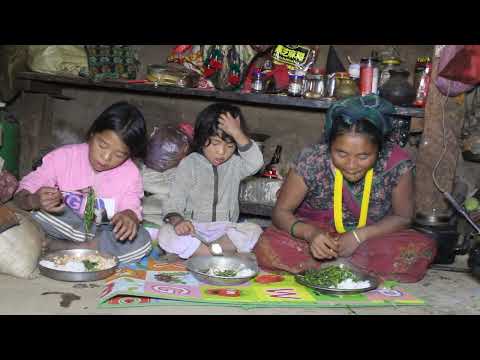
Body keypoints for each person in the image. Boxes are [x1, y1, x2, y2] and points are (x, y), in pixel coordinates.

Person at [254, 95, 437, 283]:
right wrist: (311, 235)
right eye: (341, 153)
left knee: (421, 247)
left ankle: (330, 266)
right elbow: (281, 212)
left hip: (371, 237)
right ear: (329, 145)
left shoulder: (396, 164)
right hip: (317, 235)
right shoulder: (312, 160)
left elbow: (403, 217)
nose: (351, 165)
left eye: (363, 156)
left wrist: (358, 236)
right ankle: (349, 267)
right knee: (267, 244)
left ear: (379, 150)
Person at [14, 101, 152, 264]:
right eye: (102, 145)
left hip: (102, 231)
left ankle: (75, 248)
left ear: (129, 155)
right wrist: (35, 200)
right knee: (36, 212)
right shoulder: (64, 157)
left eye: (119, 155)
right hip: (66, 221)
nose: (106, 158)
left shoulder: (130, 173)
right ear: (92, 134)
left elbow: (131, 207)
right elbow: (21, 195)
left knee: (142, 240)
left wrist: (129, 217)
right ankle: (86, 248)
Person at [157, 103, 264, 259]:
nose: (221, 152)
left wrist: (237, 132)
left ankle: (202, 254)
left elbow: (256, 162)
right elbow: (175, 199)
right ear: (202, 139)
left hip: (224, 230)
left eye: (230, 145)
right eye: (215, 143)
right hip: (193, 229)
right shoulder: (190, 163)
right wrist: (178, 221)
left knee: (254, 230)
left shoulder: (236, 164)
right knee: (166, 233)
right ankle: (216, 255)